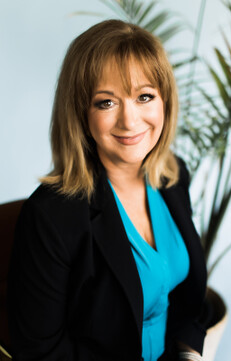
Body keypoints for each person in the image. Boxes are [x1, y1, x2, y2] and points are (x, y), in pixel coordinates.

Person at [7, 19, 207, 361]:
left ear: (165, 102)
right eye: (107, 102)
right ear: (80, 112)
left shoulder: (173, 177)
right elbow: (40, 353)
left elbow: (189, 303)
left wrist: (189, 353)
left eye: (144, 96)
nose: (130, 121)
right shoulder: (51, 216)